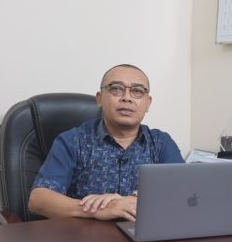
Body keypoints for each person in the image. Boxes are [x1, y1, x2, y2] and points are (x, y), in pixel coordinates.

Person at [28, 64, 184, 222]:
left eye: (137, 91)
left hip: (144, 234)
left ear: (148, 103)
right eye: (116, 89)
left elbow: (183, 191)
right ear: (99, 98)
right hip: (84, 235)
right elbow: (38, 200)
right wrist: (98, 209)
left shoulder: (161, 143)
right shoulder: (73, 141)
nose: (127, 98)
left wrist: (133, 200)